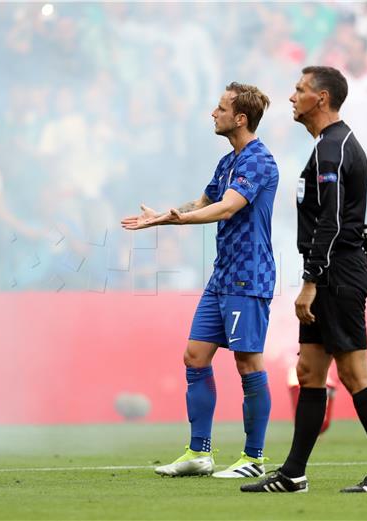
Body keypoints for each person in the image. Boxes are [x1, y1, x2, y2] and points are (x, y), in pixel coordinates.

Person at [242, 66, 367, 494]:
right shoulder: (330, 146)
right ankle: (294, 473)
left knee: (354, 374)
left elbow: (331, 221)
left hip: (336, 274)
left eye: (299, 90)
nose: (292, 97)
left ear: (321, 98)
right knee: (310, 370)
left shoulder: (333, 149)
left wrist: (312, 279)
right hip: (336, 269)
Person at [121, 82, 278, 479]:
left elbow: (228, 208)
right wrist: (164, 216)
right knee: (195, 356)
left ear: (240, 118)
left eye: (221, 107)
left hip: (248, 276)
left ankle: (254, 459)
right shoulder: (229, 161)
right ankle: (200, 453)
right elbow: (207, 200)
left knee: (247, 363)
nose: (213, 113)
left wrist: (178, 221)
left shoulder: (259, 160)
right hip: (223, 274)